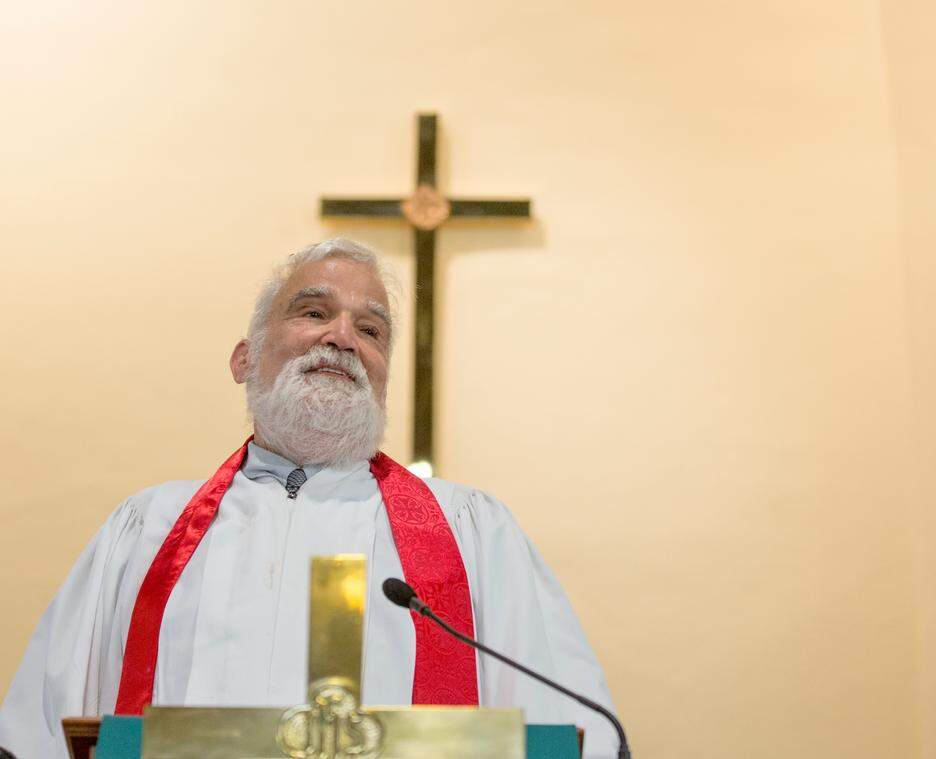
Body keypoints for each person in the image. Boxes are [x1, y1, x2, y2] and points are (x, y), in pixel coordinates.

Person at [0, 238, 618, 758]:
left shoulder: (473, 532)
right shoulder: (147, 529)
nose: (344, 337)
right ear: (245, 359)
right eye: (314, 312)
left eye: (370, 329)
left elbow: (561, 728)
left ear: (382, 377)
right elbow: (40, 729)